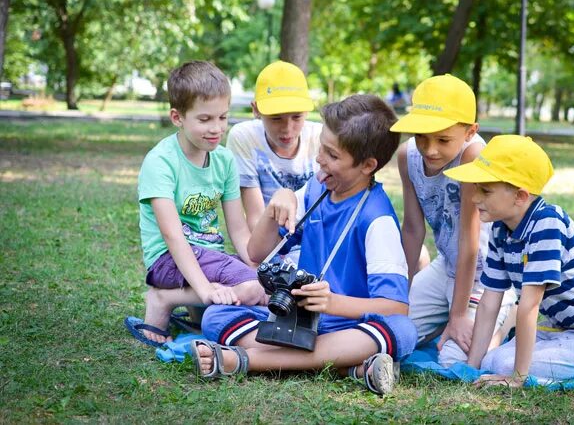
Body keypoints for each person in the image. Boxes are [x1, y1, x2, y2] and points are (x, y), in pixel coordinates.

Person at [192, 94, 417, 396]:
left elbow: (396, 307)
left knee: (403, 332)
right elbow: (256, 253)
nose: (320, 159)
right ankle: (346, 366)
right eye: (321, 147)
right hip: (299, 323)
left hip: (348, 329)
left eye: (333, 155)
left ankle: (246, 360)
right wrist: (278, 202)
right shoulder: (316, 188)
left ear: (367, 166)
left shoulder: (377, 219)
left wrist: (332, 304)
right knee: (216, 315)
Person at [444, 135, 574, 386]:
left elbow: (529, 306)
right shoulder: (500, 228)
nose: (474, 198)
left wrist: (517, 379)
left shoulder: (547, 225)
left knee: (505, 366)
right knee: (489, 362)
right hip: (566, 332)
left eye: (485, 190)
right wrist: (471, 367)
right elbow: (489, 302)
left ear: (520, 196)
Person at [124, 61, 266, 347]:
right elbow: (173, 237)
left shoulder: (224, 160)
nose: (217, 128)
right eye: (205, 119)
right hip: (167, 260)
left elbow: (238, 230)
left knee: (264, 284)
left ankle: (201, 311)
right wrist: (204, 289)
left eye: (223, 117)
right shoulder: (161, 161)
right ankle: (163, 298)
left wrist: (256, 266)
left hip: (207, 256)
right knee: (251, 289)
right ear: (177, 117)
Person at [389, 74, 516, 367]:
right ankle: (451, 313)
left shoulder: (473, 155)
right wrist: (399, 293)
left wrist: (458, 314)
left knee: (454, 360)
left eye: (443, 139)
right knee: (390, 335)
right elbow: (412, 229)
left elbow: (469, 241)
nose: (430, 149)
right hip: (446, 266)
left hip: (485, 277)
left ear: (470, 131)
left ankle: (507, 316)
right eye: (421, 136)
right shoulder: (407, 156)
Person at [226, 61, 322, 233]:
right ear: (256, 110)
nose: (287, 128)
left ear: (307, 111)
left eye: (297, 117)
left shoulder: (321, 138)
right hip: (269, 240)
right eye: (276, 118)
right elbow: (255, 219)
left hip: (315, 239)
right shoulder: (244, 138)